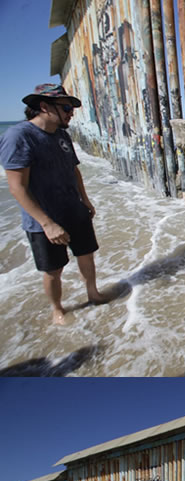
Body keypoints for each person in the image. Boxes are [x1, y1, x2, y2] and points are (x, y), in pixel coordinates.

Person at [0, 83, 108, 325]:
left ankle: (93, 293)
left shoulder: (62, 134)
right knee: (53, 271)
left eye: (71, 108)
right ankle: (57, 309)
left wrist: (85, 199)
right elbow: (17, 187)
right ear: (44, 107)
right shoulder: (19, 137)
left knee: (86, 255)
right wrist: (47, 224)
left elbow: (73, 170)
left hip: (74, 210)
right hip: (44, 220)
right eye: (67, 107)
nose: (71, 113)